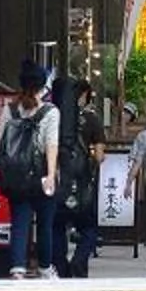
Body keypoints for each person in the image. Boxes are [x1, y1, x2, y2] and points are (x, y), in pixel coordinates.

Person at [0, 61, 58, 280]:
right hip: (40, 174)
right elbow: (51, 144)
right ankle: (45, 267)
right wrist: (50, 175)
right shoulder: (50, 112)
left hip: (16, 175)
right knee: (45, 223)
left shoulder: (10, 109)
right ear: (42, 86)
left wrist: (0, 171)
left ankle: (17, 268)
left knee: (19, 221)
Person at [50, 75, 99, 278]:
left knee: (56, 225)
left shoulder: (48, 116)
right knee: (88, 226)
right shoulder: (91, 119)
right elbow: (100, 154)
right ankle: (79, 261)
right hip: (81, 181)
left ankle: (60, 266)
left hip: (55, 180)